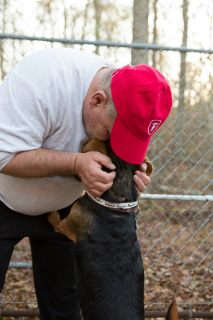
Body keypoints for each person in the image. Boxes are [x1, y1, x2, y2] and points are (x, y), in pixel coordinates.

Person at [0, 48, 172, 319]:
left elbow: (123, 154)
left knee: (64, 308)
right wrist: (76, 164)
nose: (114, 142)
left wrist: (131, 177)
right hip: (3, 201)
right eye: (110, 133)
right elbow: (3, 157)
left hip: (65, 211)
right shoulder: (41, 82)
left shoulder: (125, 94)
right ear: (96, 101)